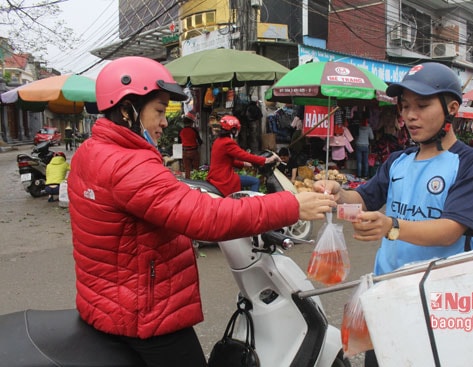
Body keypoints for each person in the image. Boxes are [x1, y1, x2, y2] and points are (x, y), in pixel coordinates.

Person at [67, 56, 335, 367]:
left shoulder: (92, 151)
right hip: (144, 314)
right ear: (127, 110)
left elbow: (150, 202)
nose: (165, 121)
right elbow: (207, 218)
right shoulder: (127, 164)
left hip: (109, 301)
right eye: (158, 110)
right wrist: (292, 204)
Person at [313, 62, 473, 366]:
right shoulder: (398, 160)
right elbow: (365, 199)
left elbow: (451, 229)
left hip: (440, 301)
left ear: (451, 108)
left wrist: (391, 226)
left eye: (422, 106)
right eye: (405, 106)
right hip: (387, 294)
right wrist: (338, 195)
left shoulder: (472, 165)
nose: (410, 115)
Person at [207, 115, 280, 196]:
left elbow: (225, 160)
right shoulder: (228, 142)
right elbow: (244, 155)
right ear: (233, 130)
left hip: (215, 176)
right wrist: (266, 160)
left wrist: (244, 164)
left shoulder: (218, 141)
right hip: (223, 178)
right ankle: (251, 205)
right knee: (255, 181)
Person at [178, 111, 202, 178]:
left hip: (185, 152)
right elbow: (200, 141)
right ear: (191, 123)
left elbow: (179, 142)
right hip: (194, 151)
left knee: (187, 169)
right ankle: (197, 180)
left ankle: (188, 182)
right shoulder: (194, 130)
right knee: (196, 168)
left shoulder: (181, 131)